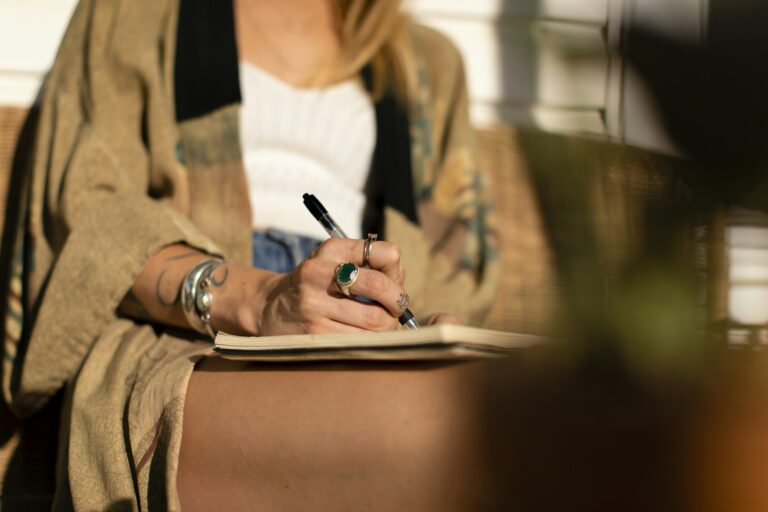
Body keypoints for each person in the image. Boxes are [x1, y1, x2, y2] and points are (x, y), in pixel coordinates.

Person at [1, 0, 498, 508]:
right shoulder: (134, 12)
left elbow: (452, 268)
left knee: (502, 421)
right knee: (415, 430)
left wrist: (423, 325)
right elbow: (85, 214)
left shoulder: (428, 63)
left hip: (359, 326)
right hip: (182, 329)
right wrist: (261, 300)